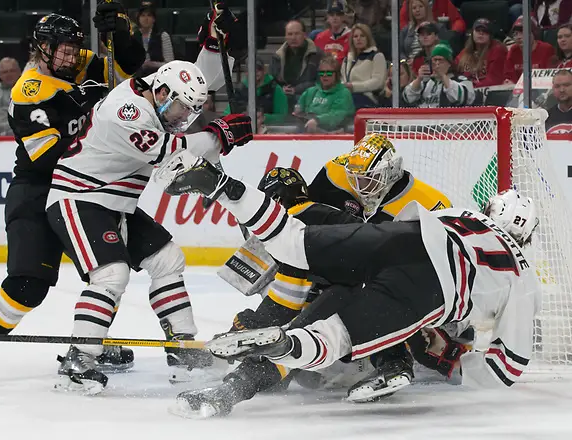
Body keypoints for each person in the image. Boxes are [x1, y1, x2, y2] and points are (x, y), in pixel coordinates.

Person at [157, 152, 540, 417]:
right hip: (433, 286)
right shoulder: (523, 277)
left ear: (493, 211)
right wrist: (450, 360)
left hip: (404, 236)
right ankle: (281, 351)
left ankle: (221, 184)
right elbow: (506, 369)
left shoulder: (465, 214)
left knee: (293, 241)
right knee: (333, 337)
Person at [0, 5, 146, 383]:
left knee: (109, 271)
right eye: (63, 51)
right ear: (42, 50)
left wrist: (121, 33)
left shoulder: (74, 62)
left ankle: (90, 346)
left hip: (87, 188)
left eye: (74, 49)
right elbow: (52, 156)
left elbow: (130, 65)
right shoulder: (29, 92)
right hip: (40, 190)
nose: (72, 57)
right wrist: (87, 102)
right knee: (28, 284)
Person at [44, 60, 253, 393]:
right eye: (180, 109)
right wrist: (220, 136)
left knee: (168, 260)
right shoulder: (127, 111)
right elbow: (172, 154)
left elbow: (201, 72)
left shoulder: (159, 92)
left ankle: (182, 347)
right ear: (161, 92)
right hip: (80, 197)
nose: (182, 118)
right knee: (112, 274)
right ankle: (79, 358)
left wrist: (214, 43)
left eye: (190, 112)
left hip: (114, 205)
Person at [269, 20, 323, 109]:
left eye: (297, 34)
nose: (293, 38)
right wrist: (281, 89)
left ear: (304, 35)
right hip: (283, 97)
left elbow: (321, 81)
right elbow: (271, 80)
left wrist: (296, 89)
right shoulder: (277, 56)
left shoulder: (317, 55)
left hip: (309, 98)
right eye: (290, 34)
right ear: (285, 36)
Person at [403, 43, 475, 108]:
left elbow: (463, 97)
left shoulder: (461, 80)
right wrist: (419, 79)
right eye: (434, 60)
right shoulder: (425, 82)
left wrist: (443, 76)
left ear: (449, 63)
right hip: (424, 121)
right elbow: (407, 97)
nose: (437, 64)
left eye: (440, 60)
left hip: (448, 121)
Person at [295, 55, 355, 133]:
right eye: (322, 72)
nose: (325, 75)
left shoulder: (343, 93)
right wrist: (297, 111)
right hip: (308, 130)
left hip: (334, 133)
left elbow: (337, 115)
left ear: (336, 75)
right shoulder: (310, 92)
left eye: (329, 73)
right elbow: (299, 110)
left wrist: (317, 120)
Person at [340, 23, 387, 108]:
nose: (359, 39)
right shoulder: (347, 59)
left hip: (368, 98)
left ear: (368, 38)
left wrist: (354, 87)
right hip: (347, 96)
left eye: (362, 36)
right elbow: (342, 79)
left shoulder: (376, 56)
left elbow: (378, 82)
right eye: (355, 36)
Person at [455, 19, 508, 88]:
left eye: (485, 31)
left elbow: (494, 80)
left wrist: (470, 87)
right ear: (472, 33)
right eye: (478, 30)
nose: (481, 33)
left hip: (489, 92)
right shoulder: (467, 51)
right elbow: (453, 66)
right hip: (467, 90)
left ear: (490, 35)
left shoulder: (497, 50)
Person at [504, 16, 557, 84]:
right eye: (516, 34)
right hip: (518, 90)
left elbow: (550, 76)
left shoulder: (546, 49)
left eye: (523, 33)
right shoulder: (513, 50)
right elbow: (508, 75)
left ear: (533, 33)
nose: (519, 37)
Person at [133, 1, 175, 77]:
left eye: (149, 15)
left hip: (159, 75)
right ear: (138, 18)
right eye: (143, 15)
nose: (146, 19)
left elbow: (170, 64)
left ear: (154, 19)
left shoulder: (163, 35)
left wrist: (152, 64)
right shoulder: (133, 36)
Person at [545, 69, 572, 134]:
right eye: (557, 86)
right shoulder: (546, 118)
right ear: (553, 89)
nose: (562, 90)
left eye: (566, 85)